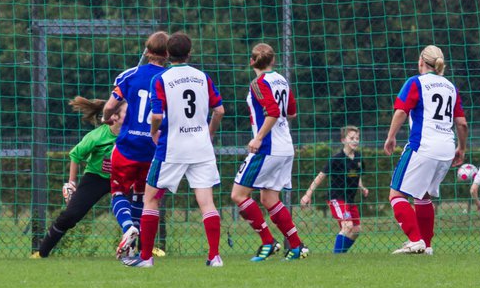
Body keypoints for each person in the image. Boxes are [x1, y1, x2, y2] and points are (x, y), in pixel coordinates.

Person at [124, 32, 227, 267]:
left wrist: (153, 131)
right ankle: (214, 256)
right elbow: (219, 110)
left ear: (168, 54)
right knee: (206, 202)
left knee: (151, 199)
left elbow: (157, 115)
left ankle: (146, 258)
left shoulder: (161, 79)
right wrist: (209, 132)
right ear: (190, 53)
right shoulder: (203, 77)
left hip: (172, 148)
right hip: (201, 147)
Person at [383, 45, 468, 255]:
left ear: (421, 61)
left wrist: (391, 136)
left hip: (423, 146)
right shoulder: (451, 87)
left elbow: (402, 111)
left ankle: (415, 240)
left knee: (396, 194)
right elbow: (462, 123)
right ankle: (427, 246)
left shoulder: (416, 82)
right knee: (423, 196)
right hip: (446, 149)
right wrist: (462, 148)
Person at [230, 43, 306, 261]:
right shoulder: (282, 80)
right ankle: (297, 246)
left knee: (238, 194)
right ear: (273, 61)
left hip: (268, 147)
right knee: (269, 199)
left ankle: (268, 241)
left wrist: (258, 137)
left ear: (252, 62)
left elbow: (272, 112)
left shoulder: (258, 83)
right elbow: (291, 112)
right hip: (285, 147)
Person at [33, 98, 125, 258]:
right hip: (96, 178)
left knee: (142, 208)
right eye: (128, 112)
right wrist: (71, 183)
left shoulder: (134, 134)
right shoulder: (96, 136)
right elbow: (75, 155)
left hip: (123, 177)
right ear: (115, 116)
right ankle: (41, 253)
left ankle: (146, 250)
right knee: (71, 216)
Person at [105, 31, 169, 258]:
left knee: (118, 191)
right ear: (167, 53)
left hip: (127, 147)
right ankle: (135, 241)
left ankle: (128, 227)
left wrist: (105, 118)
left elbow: (110, 106)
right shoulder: (170, 78)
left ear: (147, 50)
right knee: (143, 194)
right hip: (154, 149)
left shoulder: (130, 75)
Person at [302, 125, 370, 253]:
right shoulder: (336, 159)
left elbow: (357, 174)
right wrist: (308, 194)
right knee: (347, 226)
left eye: (357, 138)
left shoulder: (359, 158)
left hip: (350, 200)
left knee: (355, 230)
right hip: (336, 198)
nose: (355, 140)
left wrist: (362, 187)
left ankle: (340, 254)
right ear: (343, 140)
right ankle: (336, 256)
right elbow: (321, 176)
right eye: (351, 138)